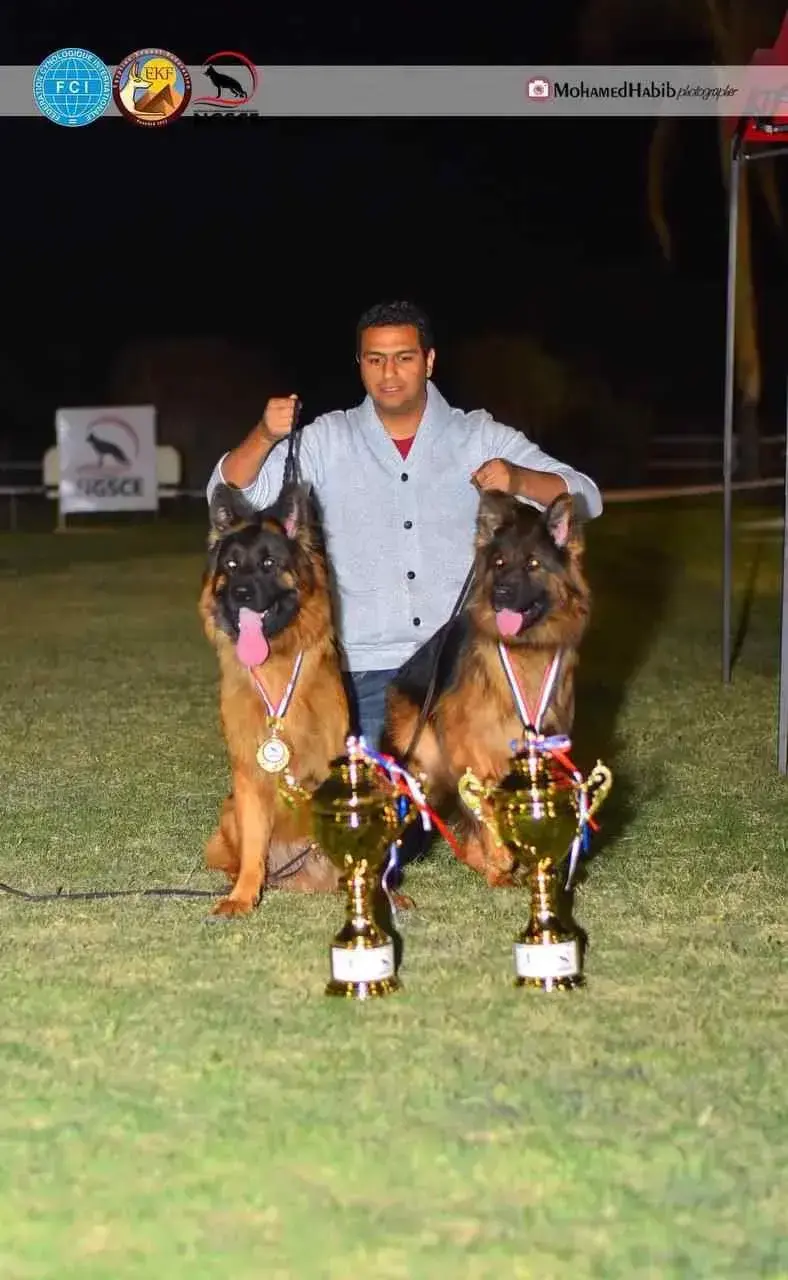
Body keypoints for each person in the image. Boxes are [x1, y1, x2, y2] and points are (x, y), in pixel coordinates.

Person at [206, 299, 603, 749]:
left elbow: (585, 496)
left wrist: (518, 479)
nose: (389, 373)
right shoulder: (326, 438)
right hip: (365, 671)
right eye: (375, 360)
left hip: (463, 662)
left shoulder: (478, 435)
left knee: (487, 786)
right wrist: (264, 435)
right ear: (360, 364)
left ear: (429, 361)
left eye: (404, 358)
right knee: (376, 792)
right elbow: (232, 492)